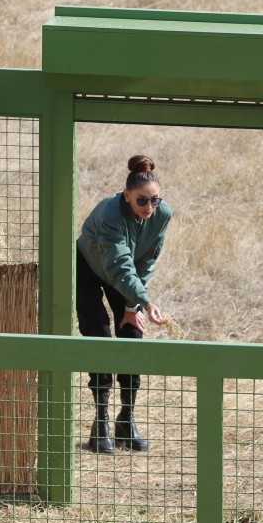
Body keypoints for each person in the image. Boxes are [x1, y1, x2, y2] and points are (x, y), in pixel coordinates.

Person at [76, 154, 171, 454]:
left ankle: (126, 419)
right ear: (126, 195)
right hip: (91, 266)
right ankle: (100, 421)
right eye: (142, 201)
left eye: (154, 200)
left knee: (133, 337)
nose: (149, 207)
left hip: (127, 274)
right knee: (100, 336)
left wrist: (134, 305)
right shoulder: (109, 214)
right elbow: (118, 265)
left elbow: (146, 261)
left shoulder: (161, 214)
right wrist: (145, 299)